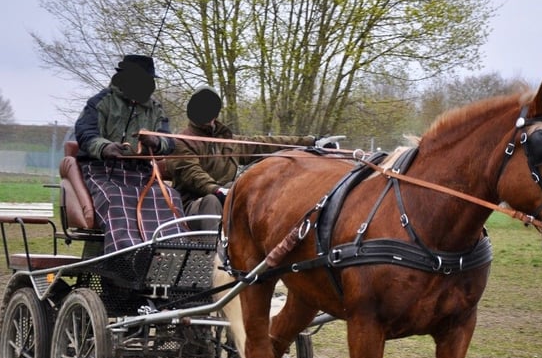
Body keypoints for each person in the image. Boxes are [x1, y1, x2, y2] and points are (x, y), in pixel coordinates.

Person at [161, 84, 342, 230]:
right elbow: (194, 175)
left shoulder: (228, 140)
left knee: (251, 191)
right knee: (212, 200)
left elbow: (266, 143)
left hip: (226, 196)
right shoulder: (181, 142)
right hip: (191, 207)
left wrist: (312, 142)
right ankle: (212, 261)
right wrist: (216, 190)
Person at [75, 54, 186, 253]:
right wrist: (106, 147)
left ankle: (173, 252)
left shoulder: (155, 109)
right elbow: (86, 133)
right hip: (103, 170)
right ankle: (128, 254)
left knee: (170, 195)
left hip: (141, 173)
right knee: (115, 197)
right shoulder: (101, 102)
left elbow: (168, 142)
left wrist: (155, 142)